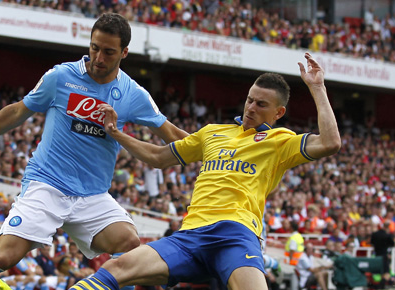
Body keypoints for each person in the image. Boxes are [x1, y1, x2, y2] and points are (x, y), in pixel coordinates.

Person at [0, 13, 187, 290]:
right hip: (48, 184)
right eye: (94, 48)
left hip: (92, 195)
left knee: (129, 243)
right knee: (5, 256)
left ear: (124, 52)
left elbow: (174, 136)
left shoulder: (132, 94)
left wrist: (222, 147)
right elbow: (17, 111)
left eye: (109, 52)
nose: (99, 58)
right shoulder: (61, 76)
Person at [69, 52, 341, 290]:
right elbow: (159, 157)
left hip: (236, 235)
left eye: (261, 104)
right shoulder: (212, 133)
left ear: (278, 112)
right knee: (112, 271)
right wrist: (117, 133)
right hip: (191, 236)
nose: (251, 108)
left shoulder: (280, 141)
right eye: (250, 100)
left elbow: (330, 143)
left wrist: (317, 88)